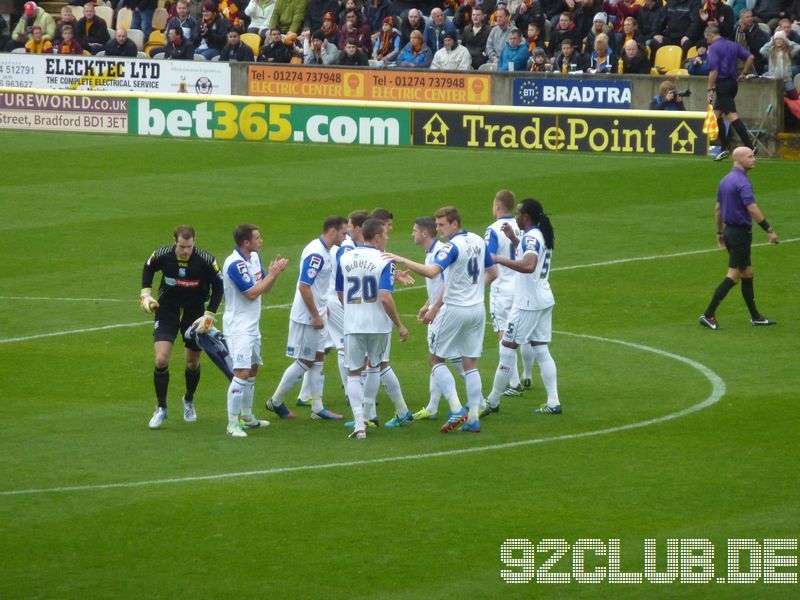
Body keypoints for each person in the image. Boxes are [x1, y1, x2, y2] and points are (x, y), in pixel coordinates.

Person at [384, 207, 497, 434]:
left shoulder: (451, 247)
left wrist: (400, 259)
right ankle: (474, 417)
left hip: (455, 310)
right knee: (470, 364)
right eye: (437, 225)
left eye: (442, 225)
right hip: (477, 310)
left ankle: (456, 408)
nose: (438, 229)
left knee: (435, 360)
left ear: (455, 224)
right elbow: (493, 273)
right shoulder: (477, 239)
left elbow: (432, 272)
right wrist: (472, 292)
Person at [140, 225, 224, 429]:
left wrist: (209, 315)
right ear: (174, 242)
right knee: (161, 359)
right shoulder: (163, 254)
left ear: (194, 241)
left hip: (195, 312)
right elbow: (148, 266)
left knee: (192, 363)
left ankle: (188, 400)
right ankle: (161, 408)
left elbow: (219, 286)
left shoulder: (205, 259)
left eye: (189, 246)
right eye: (182, 246)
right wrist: (145, 294)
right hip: (167, 307)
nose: (186, 251)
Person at [483, 199, 561, 416]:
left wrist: (498, 258)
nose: (515, 217)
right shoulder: (539, 235)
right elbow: (528, 255)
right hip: (544, 298)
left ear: (526, 216)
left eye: (518, 213)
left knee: (507, 348)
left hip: (527, 303)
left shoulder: (532, 237)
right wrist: (513, 239)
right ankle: (553, 401)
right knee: (541, 348)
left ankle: (493, 400)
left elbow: (529, 265)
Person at [336, 218, 411, 439]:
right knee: (375, 368)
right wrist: (400, 324)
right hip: (378, 325)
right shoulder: (385, 259)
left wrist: (351, 310)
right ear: (377, 237)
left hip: (353, 324)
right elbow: (385, 297)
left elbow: (340, 293)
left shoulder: (345, 257)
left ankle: (360, 423)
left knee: (353, 372)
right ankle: (368, 415)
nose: (387, 238)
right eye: (385, 235)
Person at [266, 217, 348, 421]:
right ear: (332, 231)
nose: (345, 236)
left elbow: (317, 286)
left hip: (318, 313)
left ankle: (317, 408)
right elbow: (304, 285)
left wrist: (323, 308)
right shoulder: (317, 254)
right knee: (306, 360)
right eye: (343, 233)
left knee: (319, 357)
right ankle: (275, 401)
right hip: (307, 318)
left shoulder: (325, 250)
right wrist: (315, 314)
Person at [699, 147, 779, 331]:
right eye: (750, 157)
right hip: (740, 235)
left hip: (729, 232)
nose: (754, 160)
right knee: (734, 276)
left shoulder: (725, 180)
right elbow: (752, 208)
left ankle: (755, 317)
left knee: (748, 273)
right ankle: (708, 314)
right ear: (739, 159)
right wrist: (769, 230)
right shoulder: (743, 183)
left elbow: (718, 209)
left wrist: (719, 234)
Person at [222, 225, 289, 437]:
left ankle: (248, 416)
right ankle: (232, 423)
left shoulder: (254, 258)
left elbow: (264, 289)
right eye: (258, 238)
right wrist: (273, 273)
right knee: (241, 372)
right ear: (246, 243)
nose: (261, 241)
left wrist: (273, 276)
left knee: (252, 369)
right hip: (238, 326)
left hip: (252, 325)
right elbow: (251, 293)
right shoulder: (235, 264)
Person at [409, 216, 459, 421]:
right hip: (441, 310)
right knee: (442, 357)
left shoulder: (440, 252)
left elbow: (448, 284)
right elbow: (438, 285)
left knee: (438, 359)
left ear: (424, 234)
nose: (411, 234)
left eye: (414, 230)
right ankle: (432, 407)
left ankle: (464, 407)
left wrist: (435, 308)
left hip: (445, 313)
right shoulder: (431, 253)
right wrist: (427, 305)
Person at [486, 190, 530, 398]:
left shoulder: (494, 229)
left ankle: (513, 383)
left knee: (503, 334)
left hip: (501, 287)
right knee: (524, 334)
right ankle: (526, 375)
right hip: (521, 286)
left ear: (497, 206)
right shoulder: (522, 228)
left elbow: (489, 257)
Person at [705, 25, 756, 161]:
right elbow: (750, 57)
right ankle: (723, 148)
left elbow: (714, 70)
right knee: (716, 116)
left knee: (732, 116)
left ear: (711, 35)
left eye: (707, 38)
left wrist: (709, 89)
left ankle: (750, 147)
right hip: (733, 84)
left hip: (723, 85)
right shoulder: (733, 45)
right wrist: (744, 73)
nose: (707, 41)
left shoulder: (713, 48)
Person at [760, 30, 800, 98]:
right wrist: (771, 42)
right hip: (774, 80)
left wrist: (788, 41)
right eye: (776, 39)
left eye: (781, 39)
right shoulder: (770, 52)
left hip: (786, 80)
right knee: (775, 97)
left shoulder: (788, 51)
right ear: (774, 41)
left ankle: (785, 97)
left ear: (784, 40)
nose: (778, 41)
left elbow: (798, 47)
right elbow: (762, 50)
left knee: (794, 96)